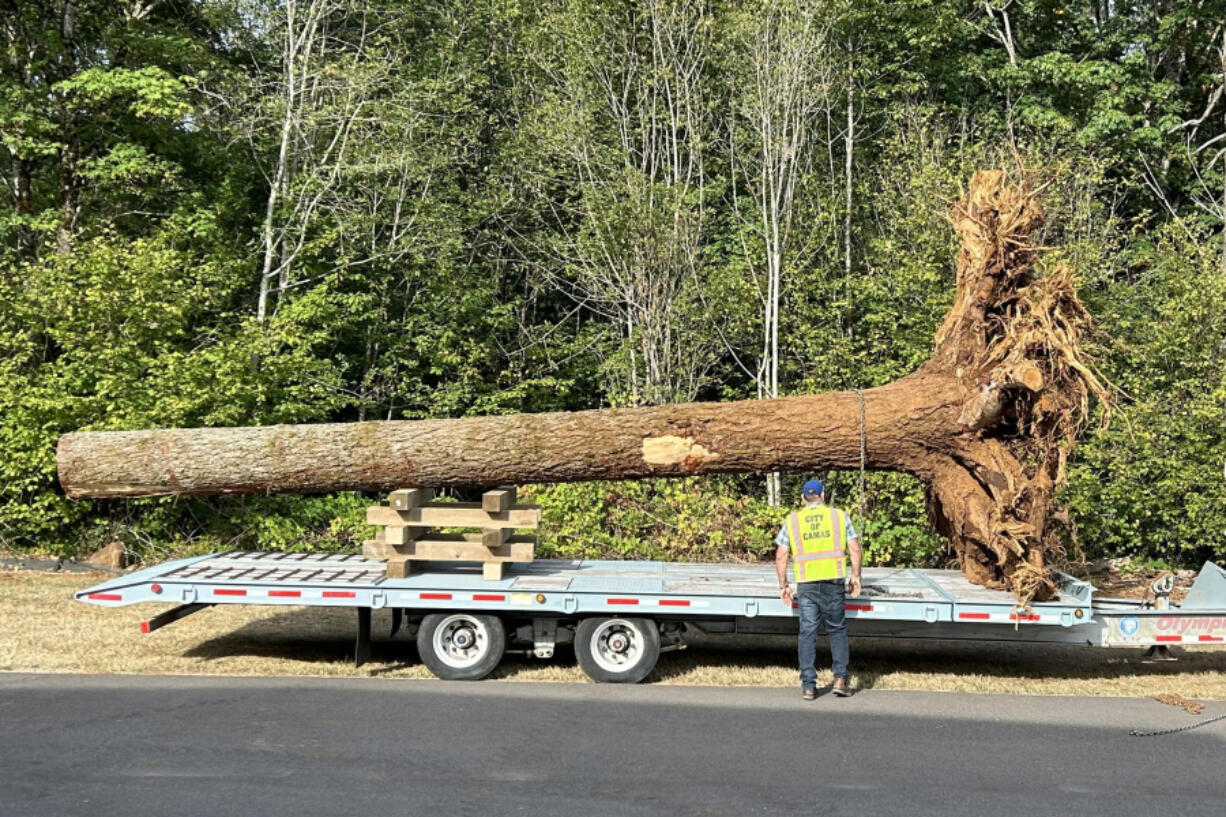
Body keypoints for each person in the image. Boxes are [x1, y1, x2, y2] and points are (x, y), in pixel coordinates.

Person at [775, 479, 862, 699]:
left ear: (803, 498)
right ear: (822, 495)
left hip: (807, 583)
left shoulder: (793, 521)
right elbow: (854, 548)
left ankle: (808, 686)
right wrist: (855, 576)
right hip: (833, 581)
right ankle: (840, 680)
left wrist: (783, 585)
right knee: (837, 630)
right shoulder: (839, 516)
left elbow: (781, 555)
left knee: (807, 633)